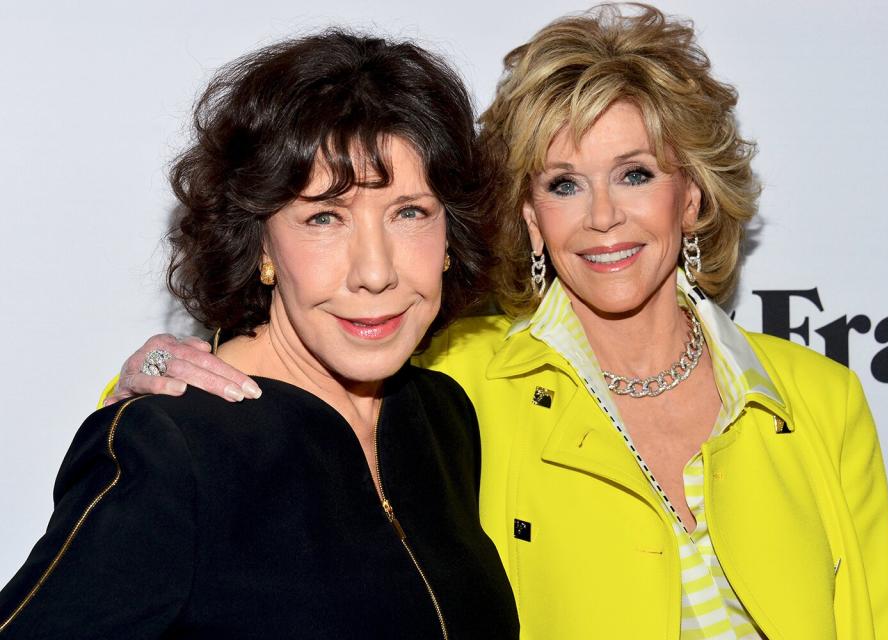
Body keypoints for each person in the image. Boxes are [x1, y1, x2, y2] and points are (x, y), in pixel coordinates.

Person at [100, 4, 888, 639]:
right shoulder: (460, 381)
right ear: (529, 217)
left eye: (634, 174)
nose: (603, 218)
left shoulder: (820, 398)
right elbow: (263, 399)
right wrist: (141, 380)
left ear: (694, 195)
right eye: (562, 184)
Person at [0, 30, 519, 639]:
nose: (376, 272)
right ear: (262, 246)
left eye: (409, 213)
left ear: (450, 237)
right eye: (324, 218)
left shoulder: (440, 417)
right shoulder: (171, 449)